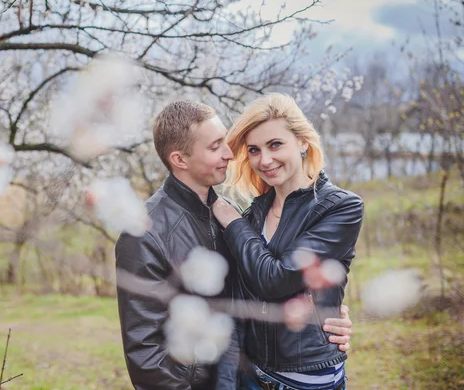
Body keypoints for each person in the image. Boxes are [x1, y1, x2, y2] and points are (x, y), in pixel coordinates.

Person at [115, 100, 353, 390]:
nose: (230, 154)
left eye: (226, 143)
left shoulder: (231, 215)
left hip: (243, 378)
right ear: (180, 159)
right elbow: (146, 350)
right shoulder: (145, 232)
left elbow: (258, 289)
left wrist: (325, 313)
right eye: (216, 146)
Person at [212, 93, 364, 390]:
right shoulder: (254, 214)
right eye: (254, 150)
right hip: (251, 373)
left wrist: (233, 223)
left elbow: (276, 279)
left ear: (303, 142)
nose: (264, 160)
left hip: (305, 379)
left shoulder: (340, 207)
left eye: (275, 144)